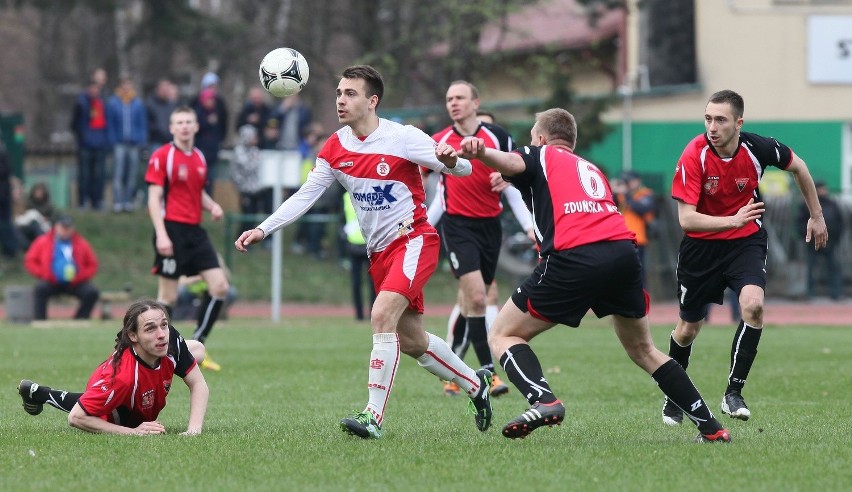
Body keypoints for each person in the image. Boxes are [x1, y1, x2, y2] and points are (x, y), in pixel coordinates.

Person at [235, 65, 492, 440]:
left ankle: (373, 416)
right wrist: (263, 228)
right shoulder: (335, 147)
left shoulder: (402, 138)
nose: (341, 99)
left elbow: (465, 169)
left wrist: (450, 160)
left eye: (350, 93)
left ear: (373, 101)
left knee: (381, 314)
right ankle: (475, 384)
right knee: (413, 342)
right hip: (380, 255)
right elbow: (306, 195)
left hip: (414, 240)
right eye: (339, 93)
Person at [457, 107, 731, 442]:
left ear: (541, 138)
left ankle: (544, 401)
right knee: (644, 349)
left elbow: (515, 162)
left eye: (532, 139)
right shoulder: (590, 168)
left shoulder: (540, 153)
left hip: (576, 256)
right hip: (622, 254)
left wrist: (483, 151)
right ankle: (712, 428)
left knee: (502, 334)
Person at [662, 89, 828, 426]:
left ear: (739, 123)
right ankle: (674, 395)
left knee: (753, 305)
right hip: (700, 249)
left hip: (745, 243)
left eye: (720, 120)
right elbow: (686, 219)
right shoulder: (694, 154)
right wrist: (731, 220)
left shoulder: (758, 148)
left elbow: (800, 167)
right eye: (708, 118)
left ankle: (732, 393)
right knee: (688, 330)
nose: (712, 126)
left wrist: (817, 215)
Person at [428, 81, 533, 398]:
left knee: (474, 300)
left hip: (491, 228)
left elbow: (520, 173)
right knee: (476, 298)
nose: (453, 103)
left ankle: (457, 371)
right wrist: (418, 224)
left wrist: (508, 175)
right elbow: (422, 182)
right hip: (458, 228)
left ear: (475, 102)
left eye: (459, 97)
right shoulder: (439, 140)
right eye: (448, 99)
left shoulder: (498, 137)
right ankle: (487, 373)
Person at [16, 299, 209, 435]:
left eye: (164, 325)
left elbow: (198, 384)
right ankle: (43, 394)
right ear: (133, 336)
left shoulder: (169, 339)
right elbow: (76, 418)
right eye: (150, 328)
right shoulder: (122, 378)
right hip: (114, 392)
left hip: (143, 363)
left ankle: (40, 393)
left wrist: (193, 430)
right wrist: (133, 432)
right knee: (100, 410)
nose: (161, 334)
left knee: (198, 349)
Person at [145, 106, 230, 372]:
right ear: (172, 128)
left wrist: (212, 205)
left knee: (220, 286)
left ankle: (196, 345)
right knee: (167, 297)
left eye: (188, 122)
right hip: (171, 229)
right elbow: (154, 198)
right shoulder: (163, 156)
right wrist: (160, 234)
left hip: (195, 231)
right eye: (178, 122)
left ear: (195, 127)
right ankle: (149, 351)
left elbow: (196, 193)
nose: (183, 126)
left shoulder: (200, 158)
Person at [23, 214, 100, 320]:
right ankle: (40, 320)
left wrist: (82, 276)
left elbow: (92, 263)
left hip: (75, 283)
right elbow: (30, 260)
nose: (65, 230)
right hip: (51, 282)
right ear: (56, 227)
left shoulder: (81, 243)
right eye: (63, 227)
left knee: (91, 292)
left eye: (68, 228)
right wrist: (43, 273)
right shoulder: (43, 241)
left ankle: (80, 319)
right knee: (40, 289)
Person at [107, 76, 148, 212]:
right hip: (119, 143)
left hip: (134, 144)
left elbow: (142, 124)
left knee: (131, 174)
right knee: (118, 173)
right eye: (124, 85)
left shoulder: (137, 104)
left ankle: (128, 201)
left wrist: (141, 141)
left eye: (129, 86)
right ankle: (118, 202)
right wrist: (112, 140)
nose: (126, 88)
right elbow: (111, 124)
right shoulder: (113, 103)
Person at [799, 180, 843, 300]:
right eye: (820, 189)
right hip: (812, 243)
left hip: (830, 243)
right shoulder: (806, 205)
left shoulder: (832, 204)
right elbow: (800, 223)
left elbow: (840, 222)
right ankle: (810, 293)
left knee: (833, 268)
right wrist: (808, 238)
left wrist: (834, 239)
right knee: (811, 268)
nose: (823, 191)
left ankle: (836, 293)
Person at [71, 80, 111, 211]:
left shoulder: (103, 103)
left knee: (99, 175)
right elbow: (74, 123)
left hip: (100, 144)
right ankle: (82, 202)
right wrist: (82, 137)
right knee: (84, 175)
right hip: (85, 145)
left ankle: (97, 202)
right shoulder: (81, 103)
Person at [612, 170, 656, 288]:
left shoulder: (645, 194)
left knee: (639, 272)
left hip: (638, 240)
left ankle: (642, 299)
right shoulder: (621, 196)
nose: (627, 184)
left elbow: (642, 209)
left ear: (638, 181)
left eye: (629, 181)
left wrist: (626, 194)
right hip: (620, 239)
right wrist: (613, 192)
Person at [341, 191, 376, 321]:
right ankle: (359, 314)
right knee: (356, 282)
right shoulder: (345, 197)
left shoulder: (371, 192)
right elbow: (342, 219)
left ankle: (374, 313)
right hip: (353, 245)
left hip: (370, 244)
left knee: (373, 283)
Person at [14, 182, 56, 249]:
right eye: (37, 191)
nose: (38, 193)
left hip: (41, 227)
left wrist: (46, 219)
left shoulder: (49, 206)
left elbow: (53, 218)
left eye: (41, 191)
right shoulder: (27, 203)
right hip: (25, 227)